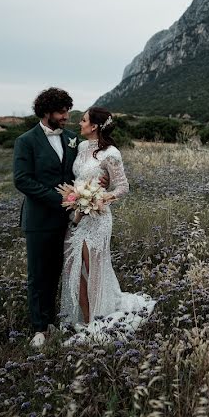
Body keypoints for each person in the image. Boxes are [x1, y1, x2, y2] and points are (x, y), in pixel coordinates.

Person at [59, 106, 155, 344]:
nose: (79, 124)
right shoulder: (81, 147)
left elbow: (123, 187)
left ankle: (96, 320)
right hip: (77, 216)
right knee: (73, 267)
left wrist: (98, 198)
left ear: (94, 126)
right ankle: (83, 318)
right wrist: (76, 196)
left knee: (93, 269)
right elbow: (78, 177)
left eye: (83, 120)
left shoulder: (111, 153)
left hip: (98, 217)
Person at [12, 87, 79, 348]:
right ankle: (39, 327)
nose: (66, 117)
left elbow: (78, 173)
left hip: (69, 220)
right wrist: (60, 199)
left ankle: (54, 320)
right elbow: (22, 180)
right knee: (39, 275)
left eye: (67, 111)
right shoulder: (26, 141)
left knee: (59, 272)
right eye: (61, 112)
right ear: (46, 112)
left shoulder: (72, 138)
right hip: (39, 220)